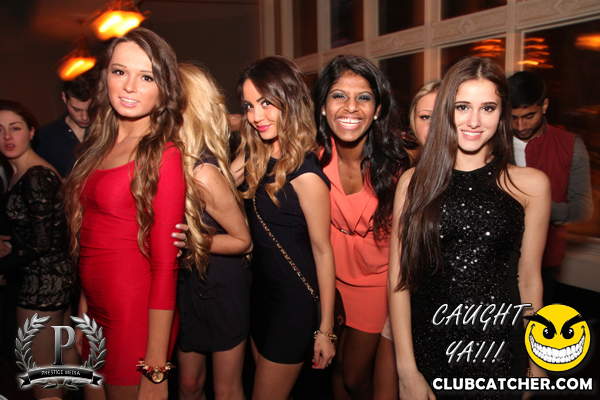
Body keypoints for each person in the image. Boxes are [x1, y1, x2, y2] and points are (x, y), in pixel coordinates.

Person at [389, 57, 551, 399]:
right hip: (431, 343)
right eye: (462, 107)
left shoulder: (530, 185)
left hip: (501, 347)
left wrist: (538, 361)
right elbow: (399, 280)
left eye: (488, 108)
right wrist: (406, 370)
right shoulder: (414, 183)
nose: (474, 121)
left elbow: (528, 280)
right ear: (446, 110)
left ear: (502, 113)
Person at [63, 27, 187, 400]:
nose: (129, 86)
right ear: (106, 77)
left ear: (163, 88)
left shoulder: (164, 155)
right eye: (120, 72)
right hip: (95, 311)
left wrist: (155, 365)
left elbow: (165, 267)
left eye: (146, 77)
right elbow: (90, 238)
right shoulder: (98, 146)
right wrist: (83, 316)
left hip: (134, 317)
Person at [231, 56, 336, 400]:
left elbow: (323, 252)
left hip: (293, 302)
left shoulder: (306, 174)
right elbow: (216, 185)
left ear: (289, 100)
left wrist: (326, 329)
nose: (256, 116)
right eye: (249, 106)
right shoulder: (256, 154)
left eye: (266, 103)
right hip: (259, 295)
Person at [313, 54, 410, 400]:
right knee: (336, 369)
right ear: (323, 106)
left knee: (355, 376)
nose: (351, 107)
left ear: (378, 109)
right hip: (329, 279)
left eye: (364, 98)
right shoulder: (314, 159)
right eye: (339, 96)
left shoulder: (399, 164)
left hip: (377, 285)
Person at [175, 62, 252, 400]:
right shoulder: (173, 156)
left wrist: (193, 241)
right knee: (189, 384)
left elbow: (243, 241)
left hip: (220, 283)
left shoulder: (202, 172)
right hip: (186, 281)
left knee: (226, 389)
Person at [0, 99, 77, 399]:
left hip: (42, 286)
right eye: (0, 130)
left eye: (15, 128)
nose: (7, 136)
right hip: (53, 280)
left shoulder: (35, 175)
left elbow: (42, 242)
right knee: (63, 370)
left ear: (32, 132)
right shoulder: (22, 171)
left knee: (44, 381)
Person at [508, 71, 593, 305]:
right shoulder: (492, 143)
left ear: (544, 106)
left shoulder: (571, 145)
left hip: (546, 260)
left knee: (536, 323)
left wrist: (538, 206)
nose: (520, 125)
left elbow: (583, 209)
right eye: (513, 117)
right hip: (498, 258)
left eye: (529, 116)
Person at [35, 70, 96, 177]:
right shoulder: (45, 136)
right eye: (76, 109)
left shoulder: (107, 130)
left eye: (90, 109)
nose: (84, 117)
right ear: (64, 98)